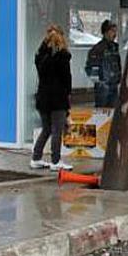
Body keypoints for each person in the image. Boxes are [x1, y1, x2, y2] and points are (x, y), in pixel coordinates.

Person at [31, 25, 73, 171]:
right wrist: (68, 96)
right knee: (57, 130)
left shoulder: (40, 56)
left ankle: (36, 158)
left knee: (47, 129)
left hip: (43, 98)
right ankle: (56, 161)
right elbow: (67, 80)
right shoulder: (63, 57)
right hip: (58, 99)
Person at [85, 19, 121, 108]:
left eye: (115, 31)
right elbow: (90, 68)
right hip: (103, 87)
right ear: (106, 32)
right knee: (101, 113)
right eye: (112, 31)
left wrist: (118, 78)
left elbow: (117, 65)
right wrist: (100, 81)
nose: (115, 34)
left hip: (113, 85)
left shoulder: (114, 47)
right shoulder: (98, 49)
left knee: (112, 114)